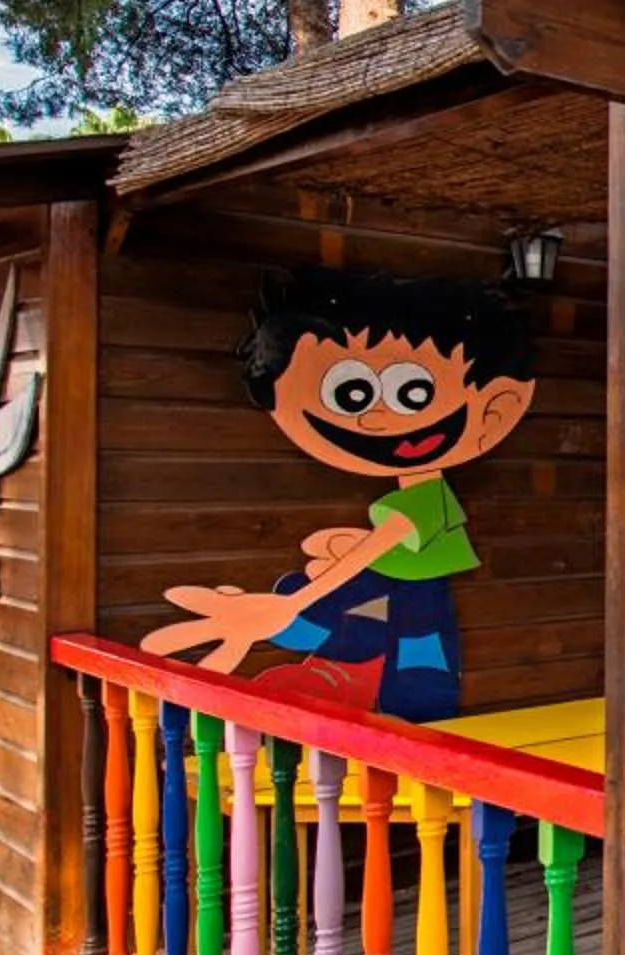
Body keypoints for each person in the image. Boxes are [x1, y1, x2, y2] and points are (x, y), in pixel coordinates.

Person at [143, 268, 537, 720]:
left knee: (415, 682)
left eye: (413, 393)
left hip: (421, 612)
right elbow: (380, 557)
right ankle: (335, 672)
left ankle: (338, 670)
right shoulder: (415, 501)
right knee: (351, 620)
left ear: (495, 406)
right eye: (352, 395)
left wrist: (293, 604)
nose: (377, 419)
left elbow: (376, 551)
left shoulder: (425, 499)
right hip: (407, 602)